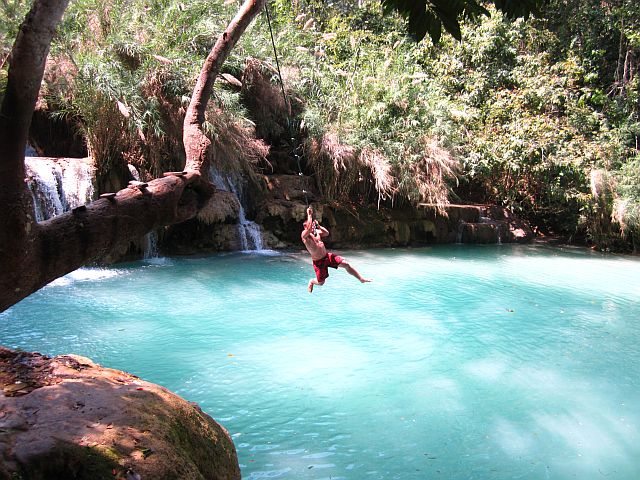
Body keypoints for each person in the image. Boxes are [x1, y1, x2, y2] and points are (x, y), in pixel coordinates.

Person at [301, 206, 371, 293]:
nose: (311, 227)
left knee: (346, 264)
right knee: (321, 282)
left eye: (312, 226)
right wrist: (309, 215)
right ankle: (312, 281)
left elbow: (326, 233)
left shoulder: (316, 233)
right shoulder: (305, 236)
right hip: (318, 262)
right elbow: (308, 228)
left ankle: (361, 279)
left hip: (327, 256)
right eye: (309, 226)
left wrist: (319, 226)